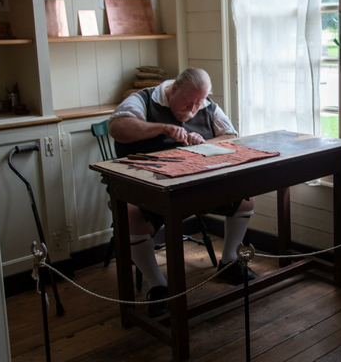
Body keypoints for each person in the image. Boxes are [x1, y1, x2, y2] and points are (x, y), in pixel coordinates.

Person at [108, 67, 258, 317]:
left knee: (244, 198)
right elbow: (118, 128)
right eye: (188, 102)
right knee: (130, 211)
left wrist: (205, 143)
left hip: (194, 185)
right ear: (173, 89)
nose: (192, 110)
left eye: (198, 105)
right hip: (149, 184)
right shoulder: (144, 99)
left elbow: (231, 137)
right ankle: (158, 285)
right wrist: (161, 129)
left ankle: (229, 261)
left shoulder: (206, 105)